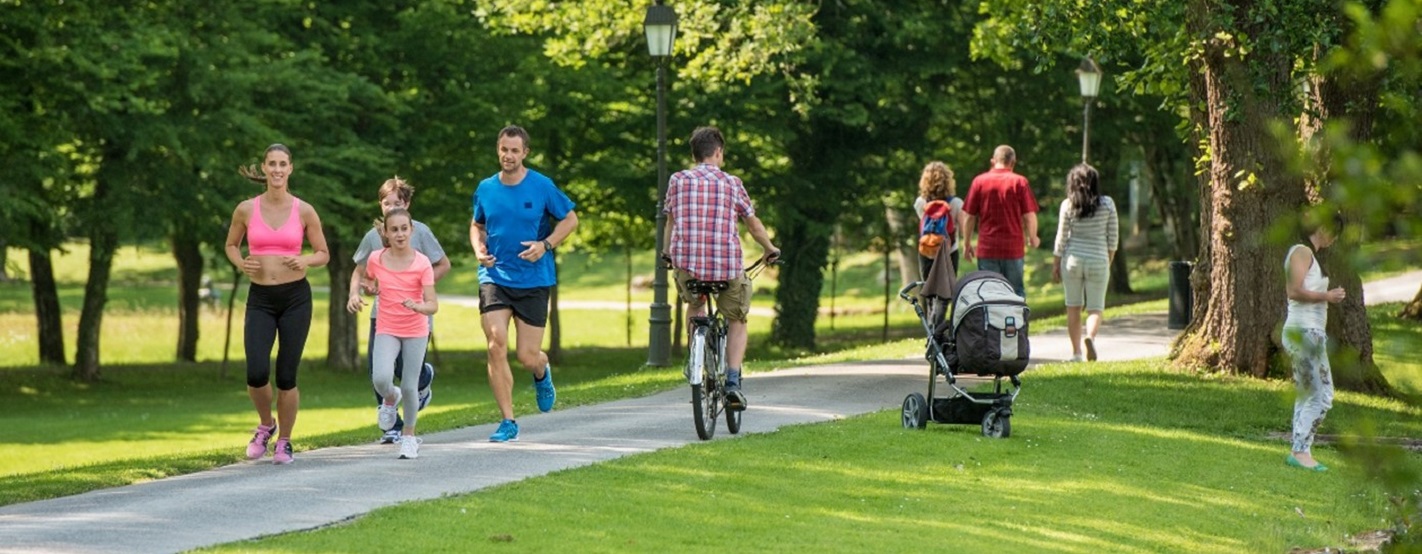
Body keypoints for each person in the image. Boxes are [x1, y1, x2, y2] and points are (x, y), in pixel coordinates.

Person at [470, 125, 579, 443]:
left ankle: (541, 371)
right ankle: (508, 421)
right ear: (498, 149)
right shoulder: (486, 188)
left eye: (514, 150)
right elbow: (477, 225)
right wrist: (478, 249)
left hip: (533, 279)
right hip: (495, 276)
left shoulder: (542, 186)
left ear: (525, 153)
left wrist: (546, 245)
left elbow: (570, 219)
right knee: (495, 343)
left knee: (527, 356)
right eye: (504, 149)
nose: (508, 155)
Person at [223, 143, 330, 465]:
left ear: (290, 168)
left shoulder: (304, 210)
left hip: (295, 298)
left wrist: (305, 260)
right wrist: (241, 263)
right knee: (256, 372)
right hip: (261, 299)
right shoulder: (246, 209)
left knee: (286, 375)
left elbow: (323, 253)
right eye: (272, 164)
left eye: (283, 164)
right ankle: (266, 424)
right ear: (264, 168)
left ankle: (284, 441)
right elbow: (231, 245)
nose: (278, 169)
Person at [664, 126, 780, 411]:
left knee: (695, 305)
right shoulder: (732, 183)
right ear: (717, 152)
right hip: (726, 267)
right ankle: (732, 380)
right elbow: (753, 224)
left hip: (687, 266)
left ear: (694, 153)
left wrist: (667, 254)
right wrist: (769, 249)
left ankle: (696, 358)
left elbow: (671, 222)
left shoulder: (677, 180)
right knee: (737, 318)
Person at [351, 177, 449, 444]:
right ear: (380, 205)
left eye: (397, 202)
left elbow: (443, 264)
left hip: (416, 315)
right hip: (382, 316)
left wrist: (419, 286)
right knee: (379, 371)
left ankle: (424, 379)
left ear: (407, 204)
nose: (392, 207)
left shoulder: (420, 232)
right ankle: (392, 426)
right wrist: (361, 291)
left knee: (408, 373)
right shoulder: (373, 237)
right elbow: (362, 273)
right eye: (386, 203)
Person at [1282, 213, 1345, 472]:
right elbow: (1293, 291)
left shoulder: (1311, 255)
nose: (1334, 240)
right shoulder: (1302, 251)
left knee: (1310, 393)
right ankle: (1300, 451)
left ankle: (1299, 450)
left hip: (1312, 332)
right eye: (1335, 233)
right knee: (1321, 394)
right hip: (1303, 331)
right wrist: (1326, 296)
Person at [1051, 163, 1119, 362]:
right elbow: (1113, 238)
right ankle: (1090, 337)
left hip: (1072, 260)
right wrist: (1108, 260)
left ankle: (1076, 353)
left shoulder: (1068, 205)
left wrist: (1056, 263)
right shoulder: (1107, 204)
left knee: (1073, 306)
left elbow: (1061, 238)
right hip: (1098, 259)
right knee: (1095, 308)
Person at [962, 145, 1040, 298]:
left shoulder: (979, 182)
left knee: (989, 294)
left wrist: (966, 244)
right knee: (1015, 292)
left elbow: (969, 217)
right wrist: (1033, 237)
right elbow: (1029, 216)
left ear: (993, 161)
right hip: (1013, 249)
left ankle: (991, 315)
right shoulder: (1019, 182)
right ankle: (1016, 315)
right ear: (1013, 162)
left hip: (987, 249)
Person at [913, 161, 966, 279]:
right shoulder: (956, 203)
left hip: (927, 250)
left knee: (927, 287)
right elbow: (964, 230)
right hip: (949, 252)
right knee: (948, 288)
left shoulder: (920, 202)